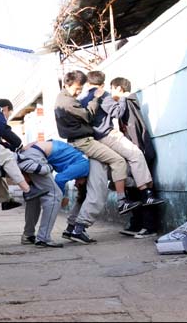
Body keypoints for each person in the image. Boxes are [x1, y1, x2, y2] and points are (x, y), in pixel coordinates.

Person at [54, 70, 141, 215]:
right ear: (67, 84)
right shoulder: (68, 102)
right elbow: (88, 116)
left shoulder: (64, 97)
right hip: (84, 142)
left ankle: (72, 227)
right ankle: (121, 201)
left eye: (80, 89)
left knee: (85, 190)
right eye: (77, 89)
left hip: (80, 142)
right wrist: (97, 98)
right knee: (118, 162)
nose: (78, 93)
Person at [86, 73, 164, 208]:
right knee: (136, 154)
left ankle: (126, 195)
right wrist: (122, 98)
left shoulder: (83, 98)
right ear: (103, 85)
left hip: (92, 140)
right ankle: (146, 194)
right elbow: (117, 113)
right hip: (106, 135)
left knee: (119, 166)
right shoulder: (102, 95)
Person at [17, 139, 90, 247]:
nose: (75, 185)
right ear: (85, 182)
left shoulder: (75, 155)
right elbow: (60, 179)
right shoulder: (84, 166)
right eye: (79, 185)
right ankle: (43, 238)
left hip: (31, 153)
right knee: (55, 195)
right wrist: (62, 197)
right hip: (36, 156)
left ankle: (28, 235)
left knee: (36, 196)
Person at [116, 87, 161, 239]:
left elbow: (134, 130)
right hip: (132, 153)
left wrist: (136, 153)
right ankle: (137, 223)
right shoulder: (126, 104)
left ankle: (149, 227)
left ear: (119, 88)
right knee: (133, 189)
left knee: (144, 189)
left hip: (138, 152)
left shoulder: (127, 103)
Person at [61, 159, 109, 244]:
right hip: (93, 161)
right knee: (96, 194)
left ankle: (70, 229)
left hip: (85, 162)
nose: (75, 183)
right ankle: (78, 231)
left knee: (83, 197)